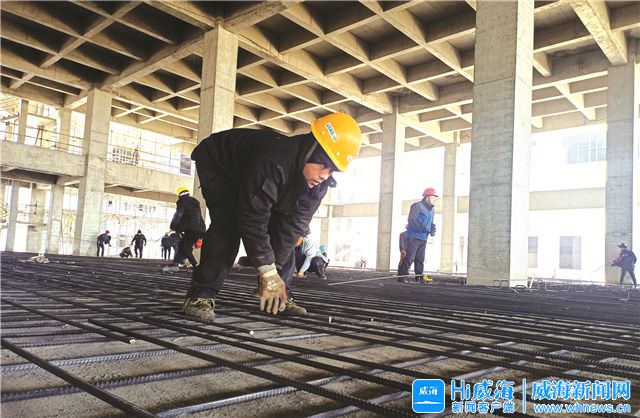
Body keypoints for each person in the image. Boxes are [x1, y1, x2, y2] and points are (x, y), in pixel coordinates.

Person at [184, 112, 361, 320]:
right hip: (220, 163)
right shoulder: (273, 162)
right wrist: (266, 271)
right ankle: (201, 295)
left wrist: (272, 273)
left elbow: (293, 228)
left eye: (332, 171)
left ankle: (281, 295)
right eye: (324, 165)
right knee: (228, 224)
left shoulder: (319, 185)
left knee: (285, 231)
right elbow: (253, 218)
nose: (325, 175)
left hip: (253, 173)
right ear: (311, 151)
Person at [398, 188, 437, 283]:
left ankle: (419, 277)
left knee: (420, 259)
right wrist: (422, 228)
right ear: (427, 197)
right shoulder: (416, 206)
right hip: (414, 236)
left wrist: (432, 229)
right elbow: (411, 220)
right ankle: (401, 277)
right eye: (433, 197)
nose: (434, 199)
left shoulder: (432, 210)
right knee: (410, 257)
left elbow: (431, 223)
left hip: (424, 238)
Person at [170, 187, 206, 269]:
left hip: (191, 229)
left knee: (185, 248)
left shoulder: (182, 201)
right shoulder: (195, 202)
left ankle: (196, 266)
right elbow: (190, 217)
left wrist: (173, 226)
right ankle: (175, 263)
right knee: (183, 245)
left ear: (179, 195)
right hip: (200, 229)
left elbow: (179, 215)